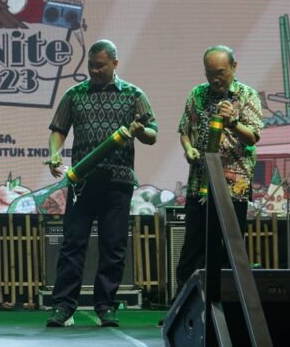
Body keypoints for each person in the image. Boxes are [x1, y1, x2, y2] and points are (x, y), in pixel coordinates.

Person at [45, 39, 157, 328]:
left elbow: (152, 134)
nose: (94, 71)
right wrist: (55, 153)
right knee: (73, 244)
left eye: (100, 66)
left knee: (113, 246)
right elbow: (58, 130)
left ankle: (106, 307)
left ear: (115, 64)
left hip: (119, 183)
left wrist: (139, 130)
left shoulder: (134, 94)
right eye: (91, 66)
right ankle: (63, 307)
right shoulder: (75, 94)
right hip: (81, 182)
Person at [174, 45, 263, 292]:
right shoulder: (198, 94)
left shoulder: (247, 95)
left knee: (229, 247)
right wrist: (188, 149)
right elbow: (184, 131)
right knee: (193, 245)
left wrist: (232, 122)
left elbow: (253, 137)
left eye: (221, 72)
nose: (215, 79)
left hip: (234, 185)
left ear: (234, 67)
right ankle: (184, 304)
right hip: (200, 184)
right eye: (210, 73)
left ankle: (229, 300)